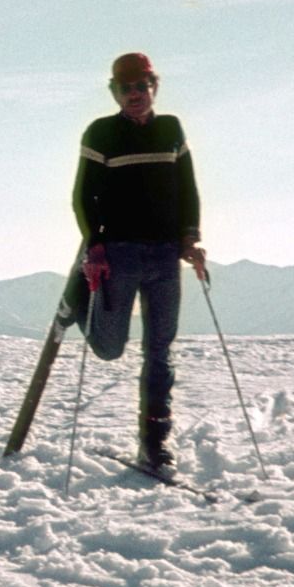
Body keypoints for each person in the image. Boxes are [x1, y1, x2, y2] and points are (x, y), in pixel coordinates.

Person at [54, 52, 206, 475]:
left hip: (163, 254)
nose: (135, 94)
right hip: (119, 251)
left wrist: (191, 236)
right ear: (114, 92)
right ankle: (78, 300)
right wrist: (95, 246)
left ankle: (155, 445)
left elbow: (188, 188)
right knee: (109, 347)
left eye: (142, 85)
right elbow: (83, 197)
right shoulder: (101, 133)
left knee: (160, 351)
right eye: (126, 88)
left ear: (154, 86)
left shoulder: (171, 128)